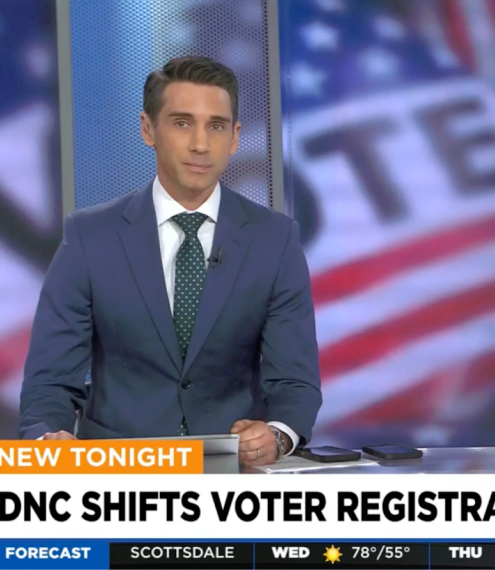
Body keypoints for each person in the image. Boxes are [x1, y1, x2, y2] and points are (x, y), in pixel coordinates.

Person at [19, 56, 321, 466]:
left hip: (231, 474)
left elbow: (296, 381)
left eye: (216, 126)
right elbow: (50, 381)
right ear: (148, 129)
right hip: (120, 475)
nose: (200, 144)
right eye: (182, 123)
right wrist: (48, 441)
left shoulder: (274, 240)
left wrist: (279, 435)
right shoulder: (90, 238)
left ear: (235, 137)